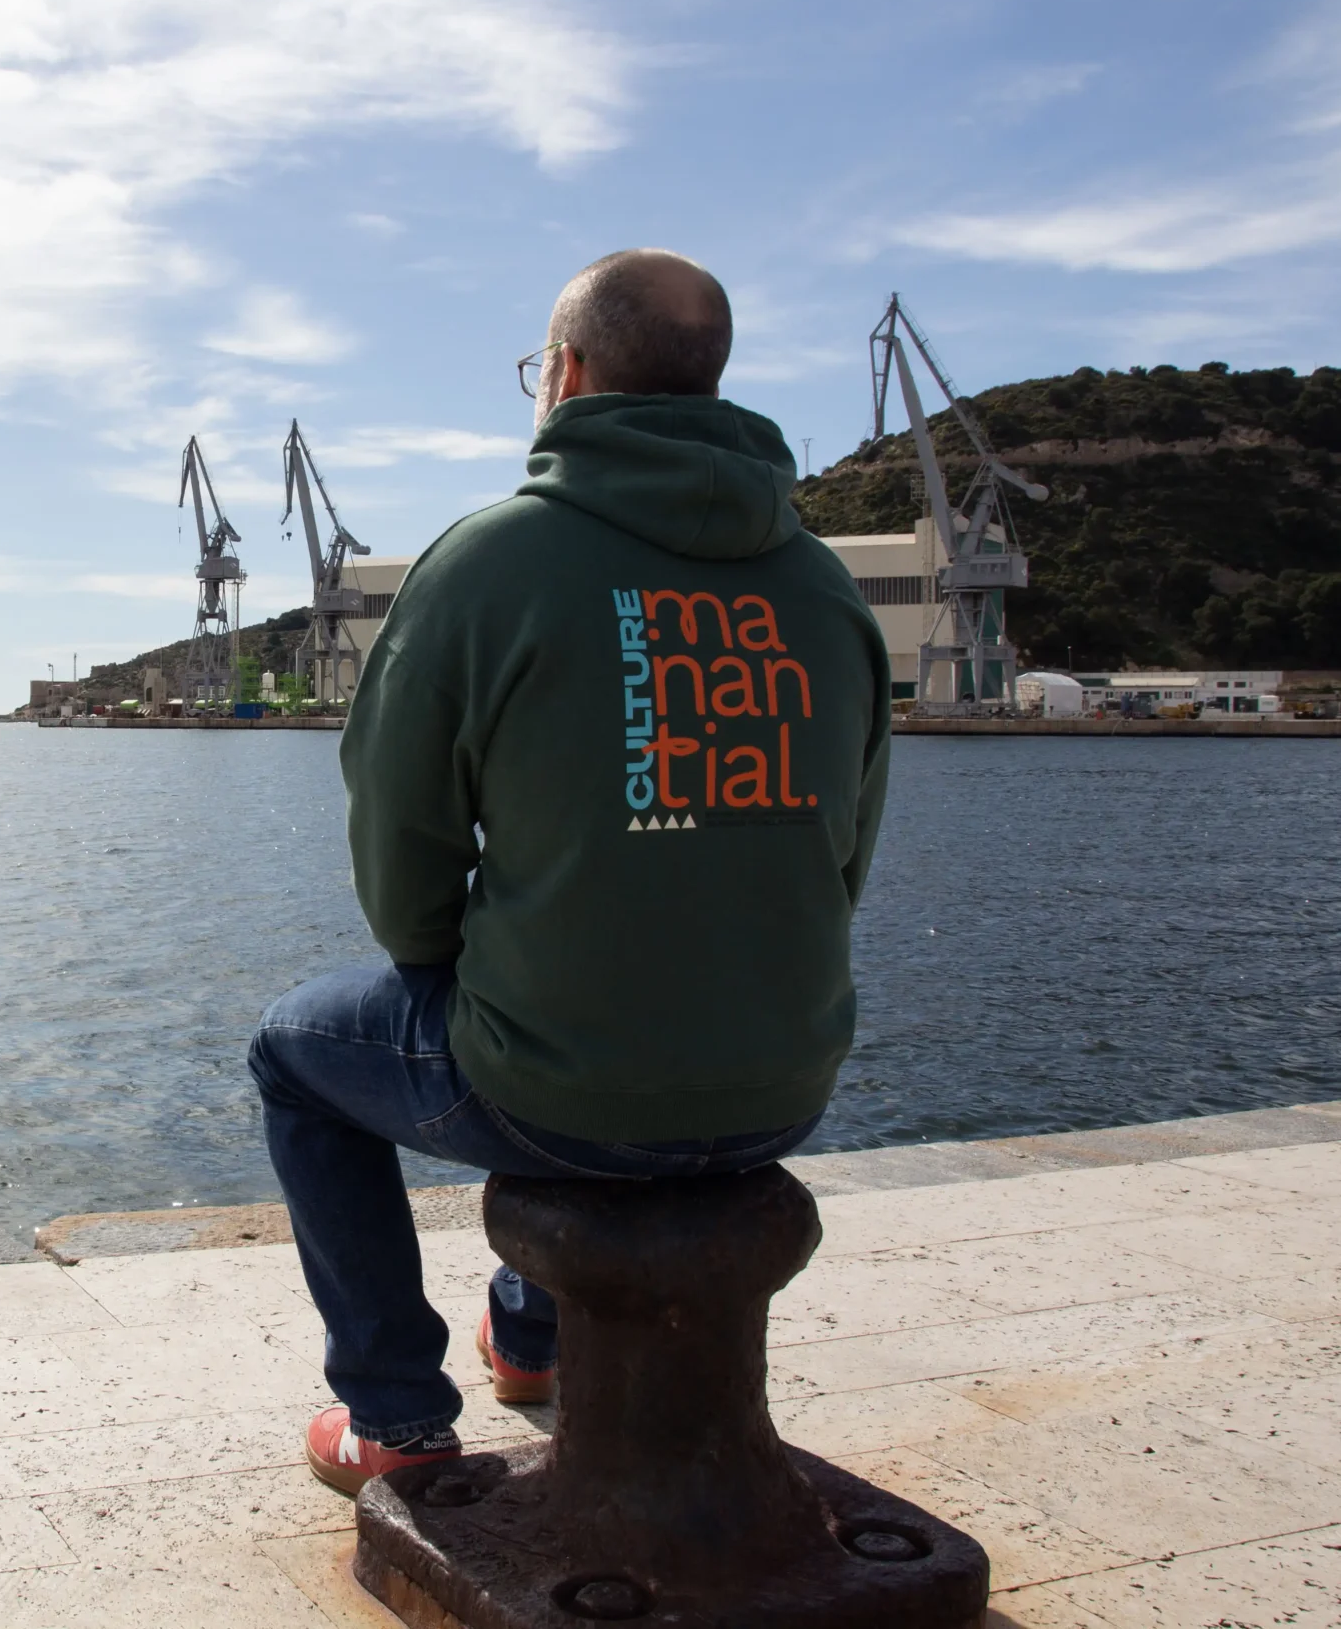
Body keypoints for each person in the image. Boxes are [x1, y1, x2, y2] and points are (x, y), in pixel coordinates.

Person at [247, 249, 892, 1494]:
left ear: (564, 374)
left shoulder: (490, 562)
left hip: (559, 1090)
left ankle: (394, 1416)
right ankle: (532, 1338)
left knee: (299, 1053)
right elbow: (845, 854)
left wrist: (437, 959)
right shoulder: (822, 585)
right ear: (711, 379)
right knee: (560, 1001)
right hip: (784, 1082)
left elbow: (399, 837)